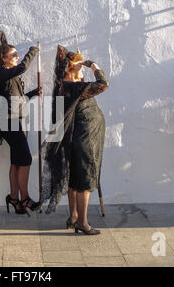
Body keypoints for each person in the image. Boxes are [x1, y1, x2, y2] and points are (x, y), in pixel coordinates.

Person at [41, 46, 108, 235]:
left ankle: (73, 217)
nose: (82, 68)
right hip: (84, 140)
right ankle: (83, 223)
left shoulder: (64, 85)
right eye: (79, 66)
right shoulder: (74, 87)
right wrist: (93, 65)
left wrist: (80, 74)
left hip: (78, 138)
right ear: (70, 69)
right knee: (84, 182)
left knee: (73, 180)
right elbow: (104, 84)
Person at [0, 31, 42, 216]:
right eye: (14, 55)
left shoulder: (11, 76)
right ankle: (25, 198)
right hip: (8, 123)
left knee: (17, 161)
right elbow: (23, 67)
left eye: (17, 55)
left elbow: (16, 98)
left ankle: (14, 198)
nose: (17, 57)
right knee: (25, 159)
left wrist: (32, 94)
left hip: (16, 120)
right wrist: (33, 51)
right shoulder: (1, 73)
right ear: (4, 59)